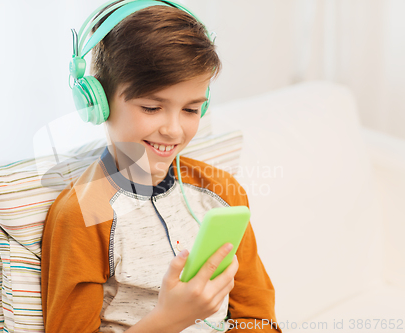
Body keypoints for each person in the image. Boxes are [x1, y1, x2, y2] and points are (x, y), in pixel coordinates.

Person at [40, 1, 281, 332]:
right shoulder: (83, 214)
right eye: (152, 108)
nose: (174, 130)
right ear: (97, 103)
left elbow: (258, 318)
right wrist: (168, 321)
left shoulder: (220, 191)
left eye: (191, 109)